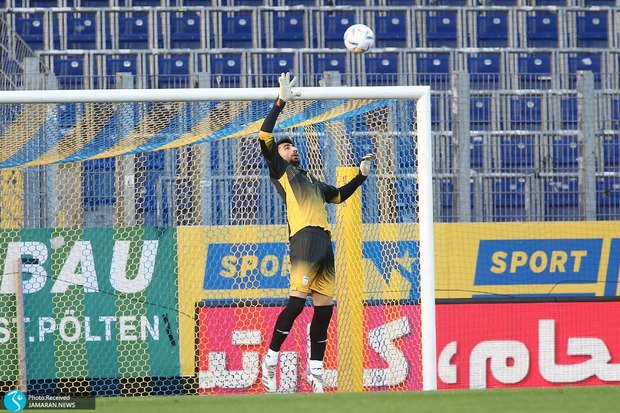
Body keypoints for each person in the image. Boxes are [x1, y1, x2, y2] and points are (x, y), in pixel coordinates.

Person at [259, 72, 375, 393]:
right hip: (305, 239)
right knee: (296, 306)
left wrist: (361, 177)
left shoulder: (310, 180)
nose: (291, 149)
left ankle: (316, 375)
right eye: (286, 147)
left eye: (293, 146)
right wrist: (281, 102)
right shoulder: (281, 172)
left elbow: (338, 196)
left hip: (324, 242)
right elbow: (264, 135)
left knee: (324, 311)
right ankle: (270, 360)